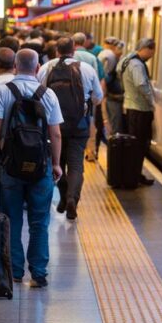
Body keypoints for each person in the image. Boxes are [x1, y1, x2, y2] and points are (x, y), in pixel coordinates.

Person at [0, 48, 63, 287]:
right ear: (38, 67)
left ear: (16, 66)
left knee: (12, 219)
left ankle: (15, 271)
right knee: (40, 222)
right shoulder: (47, 93)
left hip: (10, 166)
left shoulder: (2, 91)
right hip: (41, 166)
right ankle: (38, 273)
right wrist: (57, 164)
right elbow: (56, 133)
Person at [38, 38, 103, 220]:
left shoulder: (47, 68)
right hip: (79, 124)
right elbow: (98, 97)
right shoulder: (87, 69)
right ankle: (72, 198)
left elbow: (38, 94)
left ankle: (64, 197)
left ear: (56, 51)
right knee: (75, 165)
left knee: (57, 162)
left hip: (53, 124)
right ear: (73, 50)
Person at [120, 38, 157, 186]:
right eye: (152, 52)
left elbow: (118, 71)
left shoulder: (127, 59)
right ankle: (133, 176)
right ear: (146, 49)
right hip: (139, 109)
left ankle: (135, 174)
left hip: (131, 106)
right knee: (139, 144)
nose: (151, 55)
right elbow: (141, 84)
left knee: (136, 144)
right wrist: (152, 102)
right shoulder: (137, 64)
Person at [99, 37, 124, 137]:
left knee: (112, 123)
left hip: (111, 96)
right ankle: (114, 147)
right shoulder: (110, 57)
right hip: (113, 97)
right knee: (114, 124)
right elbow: (105, 78)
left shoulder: (108, 56)